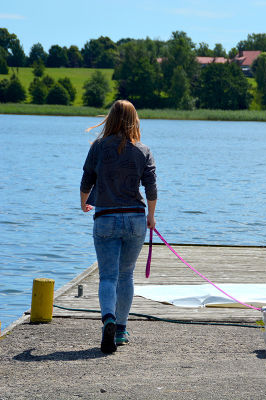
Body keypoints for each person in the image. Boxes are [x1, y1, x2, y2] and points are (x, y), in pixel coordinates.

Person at [80, 100, 157, 354]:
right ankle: (121, 329)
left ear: (110, 119)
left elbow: (87, 180)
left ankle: (108, 320)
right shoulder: (143, 150)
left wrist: (84, 204)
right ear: (134, 120)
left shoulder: (98, 147)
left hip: (106, 218)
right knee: (126, 275)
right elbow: (151, 188)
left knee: (108, 276)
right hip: (135, 218)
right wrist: (151, 217)